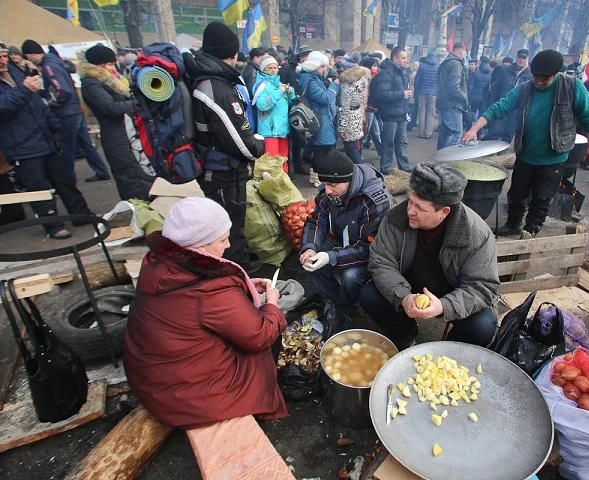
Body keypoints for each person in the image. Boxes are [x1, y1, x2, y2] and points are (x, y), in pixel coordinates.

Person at [123, 197, 287, 429]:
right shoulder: (210, 288)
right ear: (199, 246)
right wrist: (271, 304)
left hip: (151, 379)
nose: (228, 245)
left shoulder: (159, 261)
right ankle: (261, 406)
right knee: (264, 341)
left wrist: (242, 285)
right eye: (222, 240)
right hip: (187, 400)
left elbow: (194, 308)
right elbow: (259, 335)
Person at [358, 163, 500, 349]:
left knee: (482, 325)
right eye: (410, 201)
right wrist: (404, 297)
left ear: (444, 212)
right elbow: (381, 262)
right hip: (408, 286)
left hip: (453, 292)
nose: (409, 211)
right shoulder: (396, 218)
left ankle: (448, 353)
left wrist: (443, 306)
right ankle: (405, 335)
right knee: (368, 294)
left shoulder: (476, 234)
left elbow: (482, 286)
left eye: (420, 208)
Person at [461, 49, 589, 238]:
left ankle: (530, 231)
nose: (539, 83)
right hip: (526, 153)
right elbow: (500, 107)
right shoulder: (526, 88)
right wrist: (474, 128)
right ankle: (513, 225)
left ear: (556, 74)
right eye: (536, 78)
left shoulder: (572, 87)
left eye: (545, 79)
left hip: (553, 156)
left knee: (542, 198)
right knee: (516, 195)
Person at [186, 22, 266, 273]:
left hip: (222, 169)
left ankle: (236, 262)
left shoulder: (210, 80)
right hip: (222, 172)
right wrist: (258, 144)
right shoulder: (217, 89)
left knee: (231, 222)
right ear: (232, 55)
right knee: (227, 226)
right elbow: (240, 142)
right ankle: (235, 272)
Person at [0, 45, 94, 240]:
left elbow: (38, 103)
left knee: (64, 179)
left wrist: (55, 127)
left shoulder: (16, 73)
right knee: (37, 187)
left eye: (4, 56)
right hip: (21, 145)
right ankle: (52, 225)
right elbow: (4, 106)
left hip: (44, 137)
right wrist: (24, 89)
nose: (2, 61)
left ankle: (80, 214)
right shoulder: (19, 81)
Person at [300, 152, 393, 312]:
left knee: (351, 276)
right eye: (324, 184)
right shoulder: (329, 193)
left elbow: (368, 249)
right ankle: (334, 304)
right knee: (310, 261)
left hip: (374, 254)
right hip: (344, 241)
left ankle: (349, 310)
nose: (327, 191)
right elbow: (316, 221)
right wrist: (310, 248)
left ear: (348, 180)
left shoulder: (375, 202)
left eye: (332, 185)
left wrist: (330, 257)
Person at [22, 39, 111, 182]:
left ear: (31, 54)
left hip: (66, 112)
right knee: (86, 144)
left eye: (28, 58)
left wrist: (51, 102)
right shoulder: (55, 62)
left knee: (68, 147)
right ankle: (101, 170)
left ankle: (67, 178)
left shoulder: (49, 66)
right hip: (74, 109)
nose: (29, 61)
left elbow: (62, 90)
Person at [79, 44, 155, 201]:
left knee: (142, 174)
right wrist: (139, 103)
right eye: (107, 64)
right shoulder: (91, 83)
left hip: (128, 132)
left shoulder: (112, 80)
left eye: (113, 64)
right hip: (117, 137)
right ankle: (139, 211)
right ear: (97, 66)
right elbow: (112, 107)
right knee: (131, 178)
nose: (112, 67)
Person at [297, 51, 340, 187]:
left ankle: (314, 175)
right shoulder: (311, 81)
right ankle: (318, 178)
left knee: (319, 148)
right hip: (319, 118)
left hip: (319, 118)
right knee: (321, 149)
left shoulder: (310, 78)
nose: (324, 69)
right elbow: (325, 99)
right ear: (315, 66)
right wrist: (335, 85)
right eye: (322, 66)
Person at [370, 46, 412, 174]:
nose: (406, 60)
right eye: (403, 58)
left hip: (400, 114)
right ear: (395, 58)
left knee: (402, 143)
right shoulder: (386, 73)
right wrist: (401, 94)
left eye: (406, 58)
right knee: (389, 143)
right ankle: (386, 168)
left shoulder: (401, 72)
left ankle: (405, 168)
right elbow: (382, 94)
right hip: (390, 115)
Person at [253, 54, 295, 162]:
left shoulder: (279, 83)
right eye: (269, 68)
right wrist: (279, 92)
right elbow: (262, 105)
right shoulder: (260, 85)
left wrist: (291, 93)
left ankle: (283, 179)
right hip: (269, 131)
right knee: (271, 165)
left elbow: (288, 103)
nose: (273, 70)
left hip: (282, 130)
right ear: (263, 70)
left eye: (275, 67)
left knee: (283, 162)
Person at [485, 49, 533, 143]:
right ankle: (488, 154)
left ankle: (502, 155)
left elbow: (530, 94)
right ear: (516, 57)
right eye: (520, 57)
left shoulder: (529, 75)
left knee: (509, 133)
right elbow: (495, 88)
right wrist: (491, 103)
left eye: (524, 58)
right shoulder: (505, 70)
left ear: (527, 59)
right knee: (495, 131)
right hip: (502, 104)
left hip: (517, 108)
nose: (521, 60)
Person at [280, 45, 312, 175]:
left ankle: (298, 166)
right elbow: (281, 87)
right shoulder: (287, 69)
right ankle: (287, 169)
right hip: (288, 108)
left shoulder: (305, 71)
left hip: (301, 107)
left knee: (298, 139)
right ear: (302, 57)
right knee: (289, 140)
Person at [436, 42, 469, 150]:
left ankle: (437, 160)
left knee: (445, 133)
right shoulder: (456, 64)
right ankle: (444, 160)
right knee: (456, 132)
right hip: (453, 104)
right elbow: (454, 87)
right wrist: (465, 98)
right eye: (465, 54)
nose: (465, 57)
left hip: (443, 102)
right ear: (461, 52)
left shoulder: (446, 62)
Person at [337, 64, 372, 164]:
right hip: (357, 115)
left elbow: (345, 108)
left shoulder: (347, 87)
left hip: (349, 119)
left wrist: (341, 128)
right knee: (358, 145)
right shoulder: (360, 83)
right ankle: (360, 168)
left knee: (351, 150)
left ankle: (361, 171)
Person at [414, 51, 438, 139]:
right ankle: (428, 133)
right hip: (433, 93)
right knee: (431, 113)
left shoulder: (422, 66)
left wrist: (418, 90)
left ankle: (421, 132)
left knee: (422, 112)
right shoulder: (438, 67)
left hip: (422, 92)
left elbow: (417, 79)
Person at [361, 57, 383, 151]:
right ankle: (357, 155)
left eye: (377, 66)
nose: (376, 68)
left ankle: (381, 154)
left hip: (372, 108)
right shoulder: (366, 78)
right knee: (365, 133)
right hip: (368, 109)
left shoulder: (374, 77)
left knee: (376, 132)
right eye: (374, 66)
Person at [469, 55, 492, 121]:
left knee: (471, 114)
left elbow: (471, 87)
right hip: (484, 99)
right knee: (482, 115)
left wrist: (469, 98)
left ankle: (469, 128)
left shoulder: (475, 73)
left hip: (474, 98)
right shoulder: (491, 74)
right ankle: (479, 130)